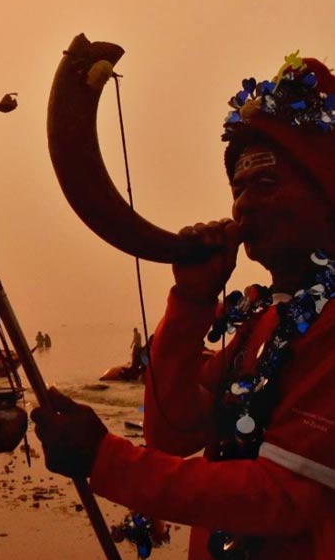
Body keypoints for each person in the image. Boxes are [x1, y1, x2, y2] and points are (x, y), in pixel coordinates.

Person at [32, 55, 335, 559]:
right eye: (238, 189)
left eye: (265, 184)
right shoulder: (263, 320)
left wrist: (105, 459)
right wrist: (191, 301)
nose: (243, 205)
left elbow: (283, 496)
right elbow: (172, 432)